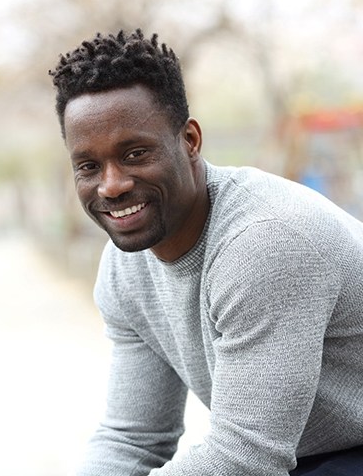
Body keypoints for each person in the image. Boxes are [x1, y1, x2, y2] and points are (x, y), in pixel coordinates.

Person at [48, 29, 363, 475]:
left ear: (190, 141)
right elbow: (133, 436)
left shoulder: (265, 242)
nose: (112, 184)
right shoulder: (125, 265)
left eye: (135, 153)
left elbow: (243, 459)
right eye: (88, 166)